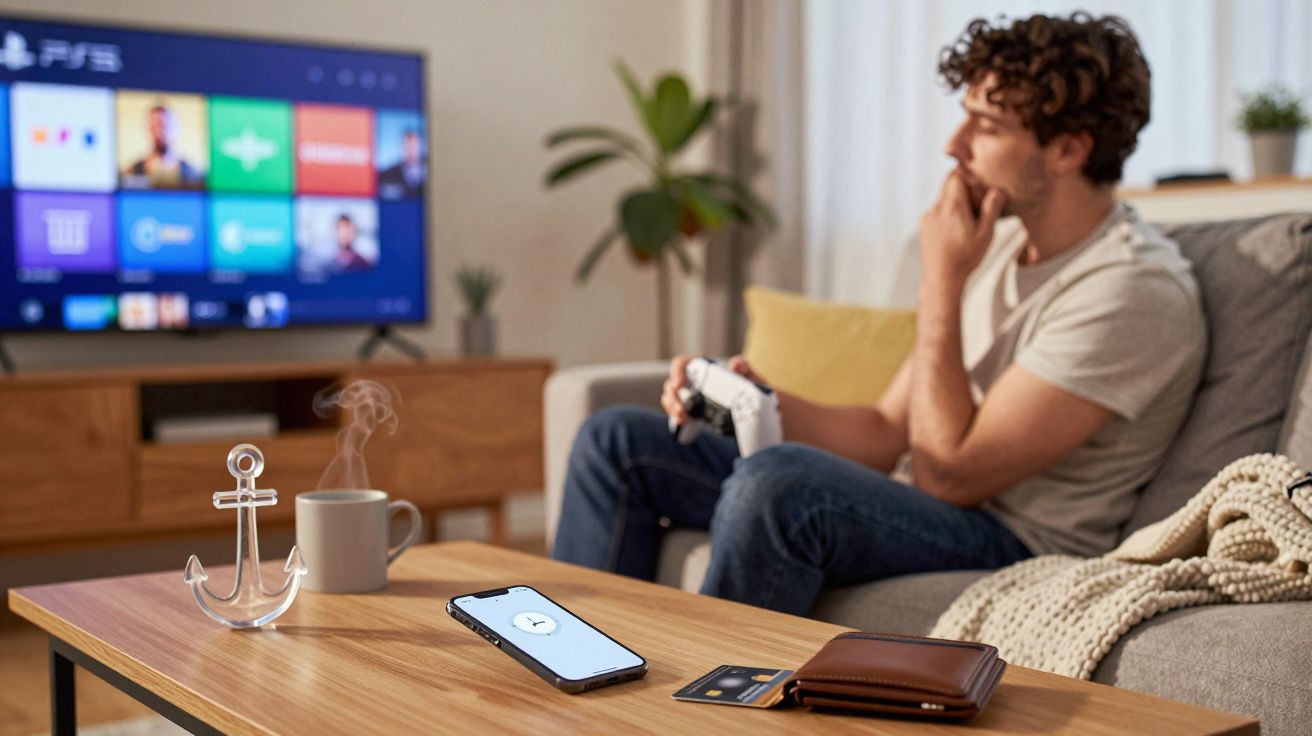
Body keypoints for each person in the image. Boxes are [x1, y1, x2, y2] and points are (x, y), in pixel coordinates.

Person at [552, 12, 1207, 617]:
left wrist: (944, 280)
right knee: (616, 443)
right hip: (920, 497)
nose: (955, 144)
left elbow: (947, 473)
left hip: (1013, 540)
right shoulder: (1000, 242)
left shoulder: (1132, 290)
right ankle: (583, 675)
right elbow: (885, 428)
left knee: (777, 487)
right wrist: (756, 398)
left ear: (1068, 150)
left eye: (987, 125)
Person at [125, 103, 203, 189]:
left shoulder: (194, 174)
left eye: (165, 125)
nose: (160, 132)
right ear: (148, 128)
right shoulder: (131, 173)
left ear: (176, 129)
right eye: (156, 126)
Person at [378, 128, 426, 198]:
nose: (410, 149)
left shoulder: (434, 169)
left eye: (413, 144)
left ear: (420, 145)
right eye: (407, 145)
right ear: (401, 146)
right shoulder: (386, 174)